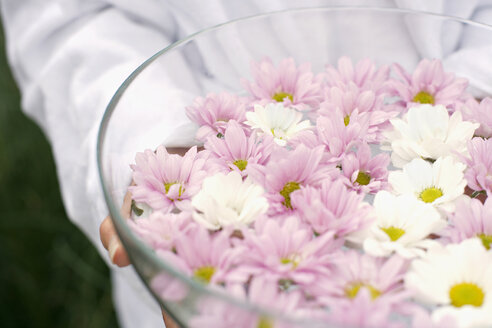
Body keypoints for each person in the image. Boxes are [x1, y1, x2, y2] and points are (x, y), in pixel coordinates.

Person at [2, 0, 492, 327]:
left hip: (462, 157)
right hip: (210, 202)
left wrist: (476, 113)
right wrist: (157, 142)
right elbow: (71, 15)